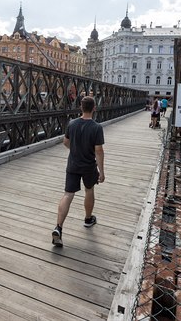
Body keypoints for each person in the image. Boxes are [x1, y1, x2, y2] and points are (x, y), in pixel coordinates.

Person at [52, 96, 105, 247]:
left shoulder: (72, 123)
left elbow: (65, 142)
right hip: (88, 166)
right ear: (94, 108)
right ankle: (88, 219)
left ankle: (58, 228)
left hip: (73, 164)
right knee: (89, 190)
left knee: (68, 194)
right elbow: (99, 151)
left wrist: (75, 150)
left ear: (81, 108)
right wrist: (101, 172)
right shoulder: (96, 127)